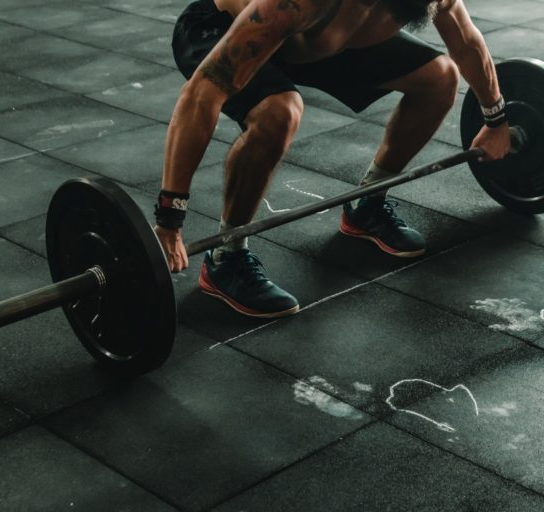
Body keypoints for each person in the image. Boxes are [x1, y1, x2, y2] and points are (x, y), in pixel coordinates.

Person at [154, 0, 510, 318]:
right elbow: (202, 95)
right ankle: (226, 257)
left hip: (317, 44)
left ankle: (366, 206)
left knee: (440, 77)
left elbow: (465, 42)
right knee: (280, 112)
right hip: (222, 26)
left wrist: (495, 118)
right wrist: (170, 215)